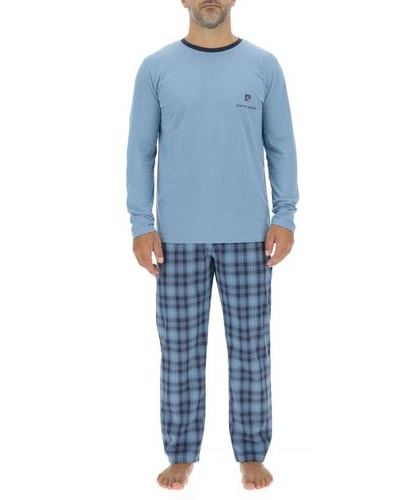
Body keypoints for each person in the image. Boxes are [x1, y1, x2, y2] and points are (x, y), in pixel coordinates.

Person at [125, 0, 299, 490]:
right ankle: (181, 453)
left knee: (251, 351)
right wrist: (141, 223)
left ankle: (251, 453)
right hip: (175, 239)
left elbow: (281, 145)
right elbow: (140, 149)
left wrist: (285, 215)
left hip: (250, 236)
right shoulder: (156, 68)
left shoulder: (264, 65)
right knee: (179, 352)